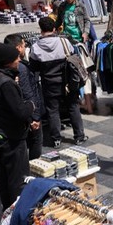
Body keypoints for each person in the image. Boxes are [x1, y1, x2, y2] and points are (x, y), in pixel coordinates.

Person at [0, 43, 35, 210]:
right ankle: (16, 211)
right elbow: (20, 112)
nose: (19, 60)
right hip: (10, 136)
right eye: (16, 58)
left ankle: (7, 207)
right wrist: (31, 106)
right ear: (7, 62)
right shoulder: (6, 83)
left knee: (4, 174)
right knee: (17, 177)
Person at [28, 17, 87, 147]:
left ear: (41, 29)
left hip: (49, 84)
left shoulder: (35, 47)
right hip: (68, 82)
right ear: (54, 28)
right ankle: (79, 136)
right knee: (73, 107)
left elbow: (34, 68)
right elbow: (72, 58)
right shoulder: (64, 42)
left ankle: (56, 139)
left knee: (52, 111)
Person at [5, 34, 43, 160]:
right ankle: (33, 167)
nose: (25, 46)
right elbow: (28, 93)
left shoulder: (2, 65)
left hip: (14, 114)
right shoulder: (20, 68)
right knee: (36, 141)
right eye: (23, 44)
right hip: (27, 113)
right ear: (18, 48)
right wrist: (35, 117)